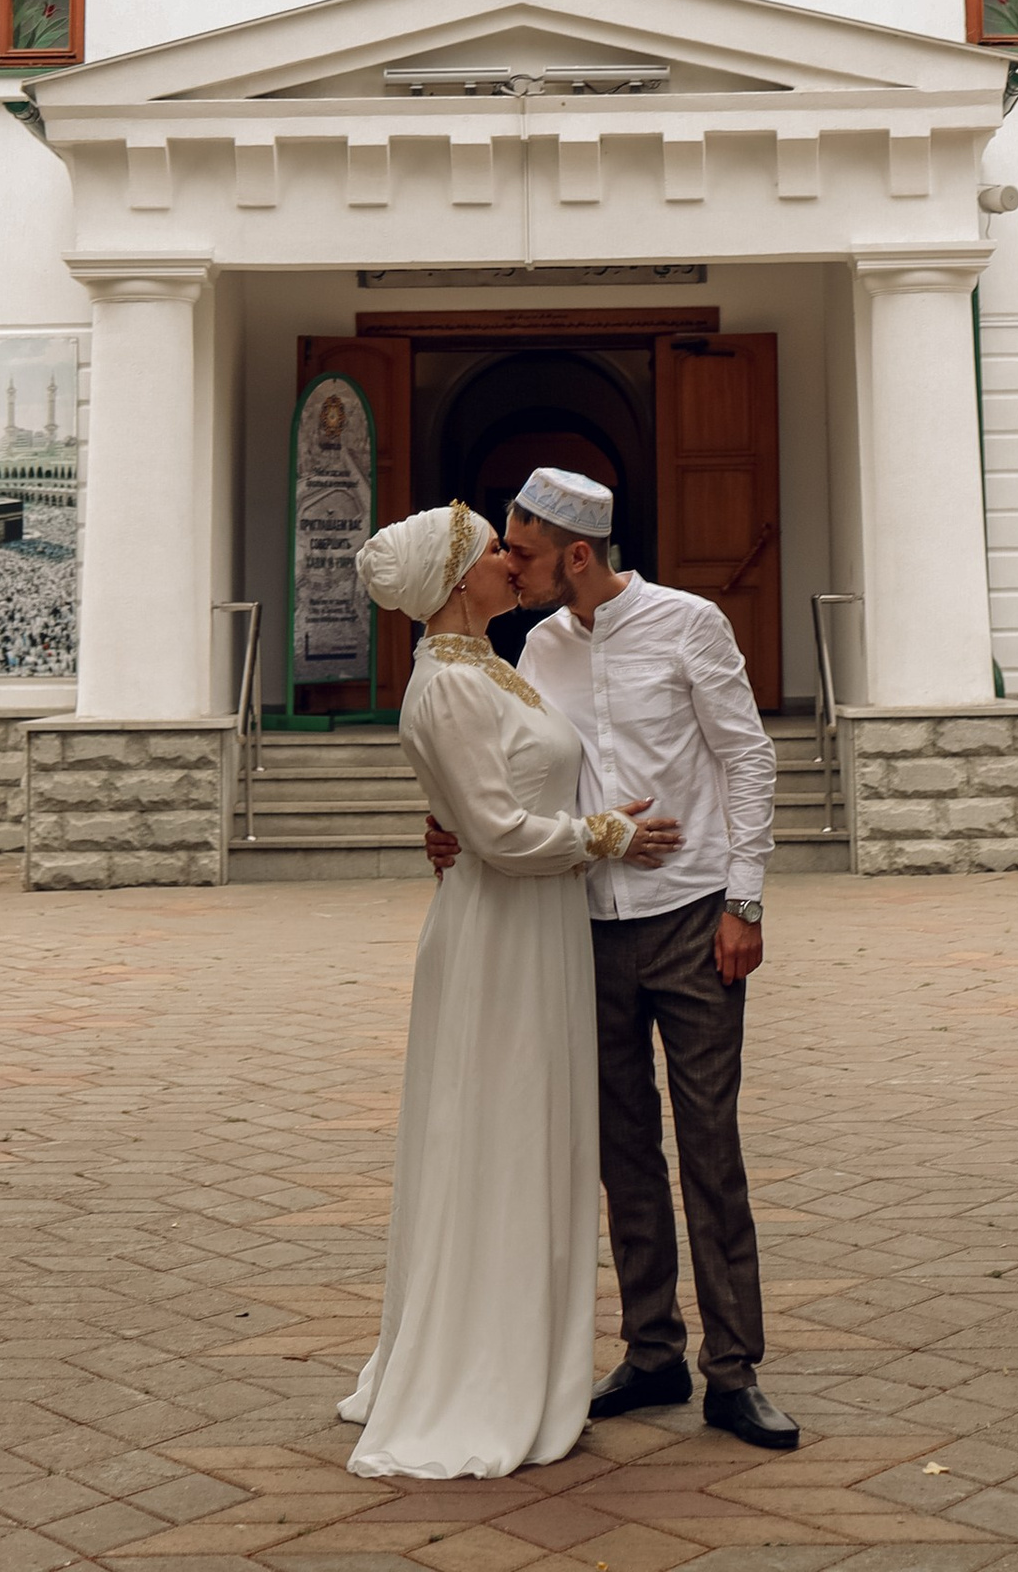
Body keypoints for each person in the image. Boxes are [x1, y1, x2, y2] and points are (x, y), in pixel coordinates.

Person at [423, 466, 799, 1453]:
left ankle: (734, 1371)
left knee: (709, 1145)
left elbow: (746, 754)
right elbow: (509, 766)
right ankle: (651, 1349)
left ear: (578, 554)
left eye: (524, 551)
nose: (510, 565)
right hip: (578, 926)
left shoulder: (688, 624)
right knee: (619, 1147)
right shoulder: (535, 647)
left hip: (691, 919)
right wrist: (457, 825)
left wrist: (744, 896)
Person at [338, 499, 683, 1482]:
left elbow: (496, 805)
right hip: (501, 935)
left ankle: (520, 1351)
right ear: (454, 581)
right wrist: (604, 835)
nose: (509, 554)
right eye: (491, 547)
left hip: (537, 928)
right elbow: (497, 833)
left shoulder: (485, 667)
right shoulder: (447, 688)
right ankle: (477, 1370)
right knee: (495, 1131)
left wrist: (568, 822)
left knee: (529, 1130)